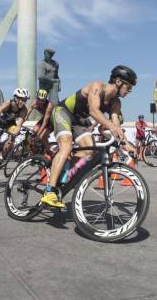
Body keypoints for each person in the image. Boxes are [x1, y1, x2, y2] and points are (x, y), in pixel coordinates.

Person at [43, 65, 137, 209]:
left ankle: (65, 170)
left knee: (90, 151)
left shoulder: (116, 102)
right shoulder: (97, 86)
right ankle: (49, 192)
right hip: (64, 112)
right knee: (66, 146)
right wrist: (111, 126)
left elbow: (116, 127)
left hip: (80, 122)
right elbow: (94, 111)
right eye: (129, 86)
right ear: (118, 82)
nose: (130, 90)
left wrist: (127, 145)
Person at [0, 88, 30, 157]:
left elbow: (19, 126)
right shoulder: (8, 103)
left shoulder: (24, 110)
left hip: (10, 125)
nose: (24, 102)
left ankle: (2, 156)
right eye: (22, 100)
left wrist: (14, 134)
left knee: (12, 139)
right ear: (16, 98)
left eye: (25, 100)